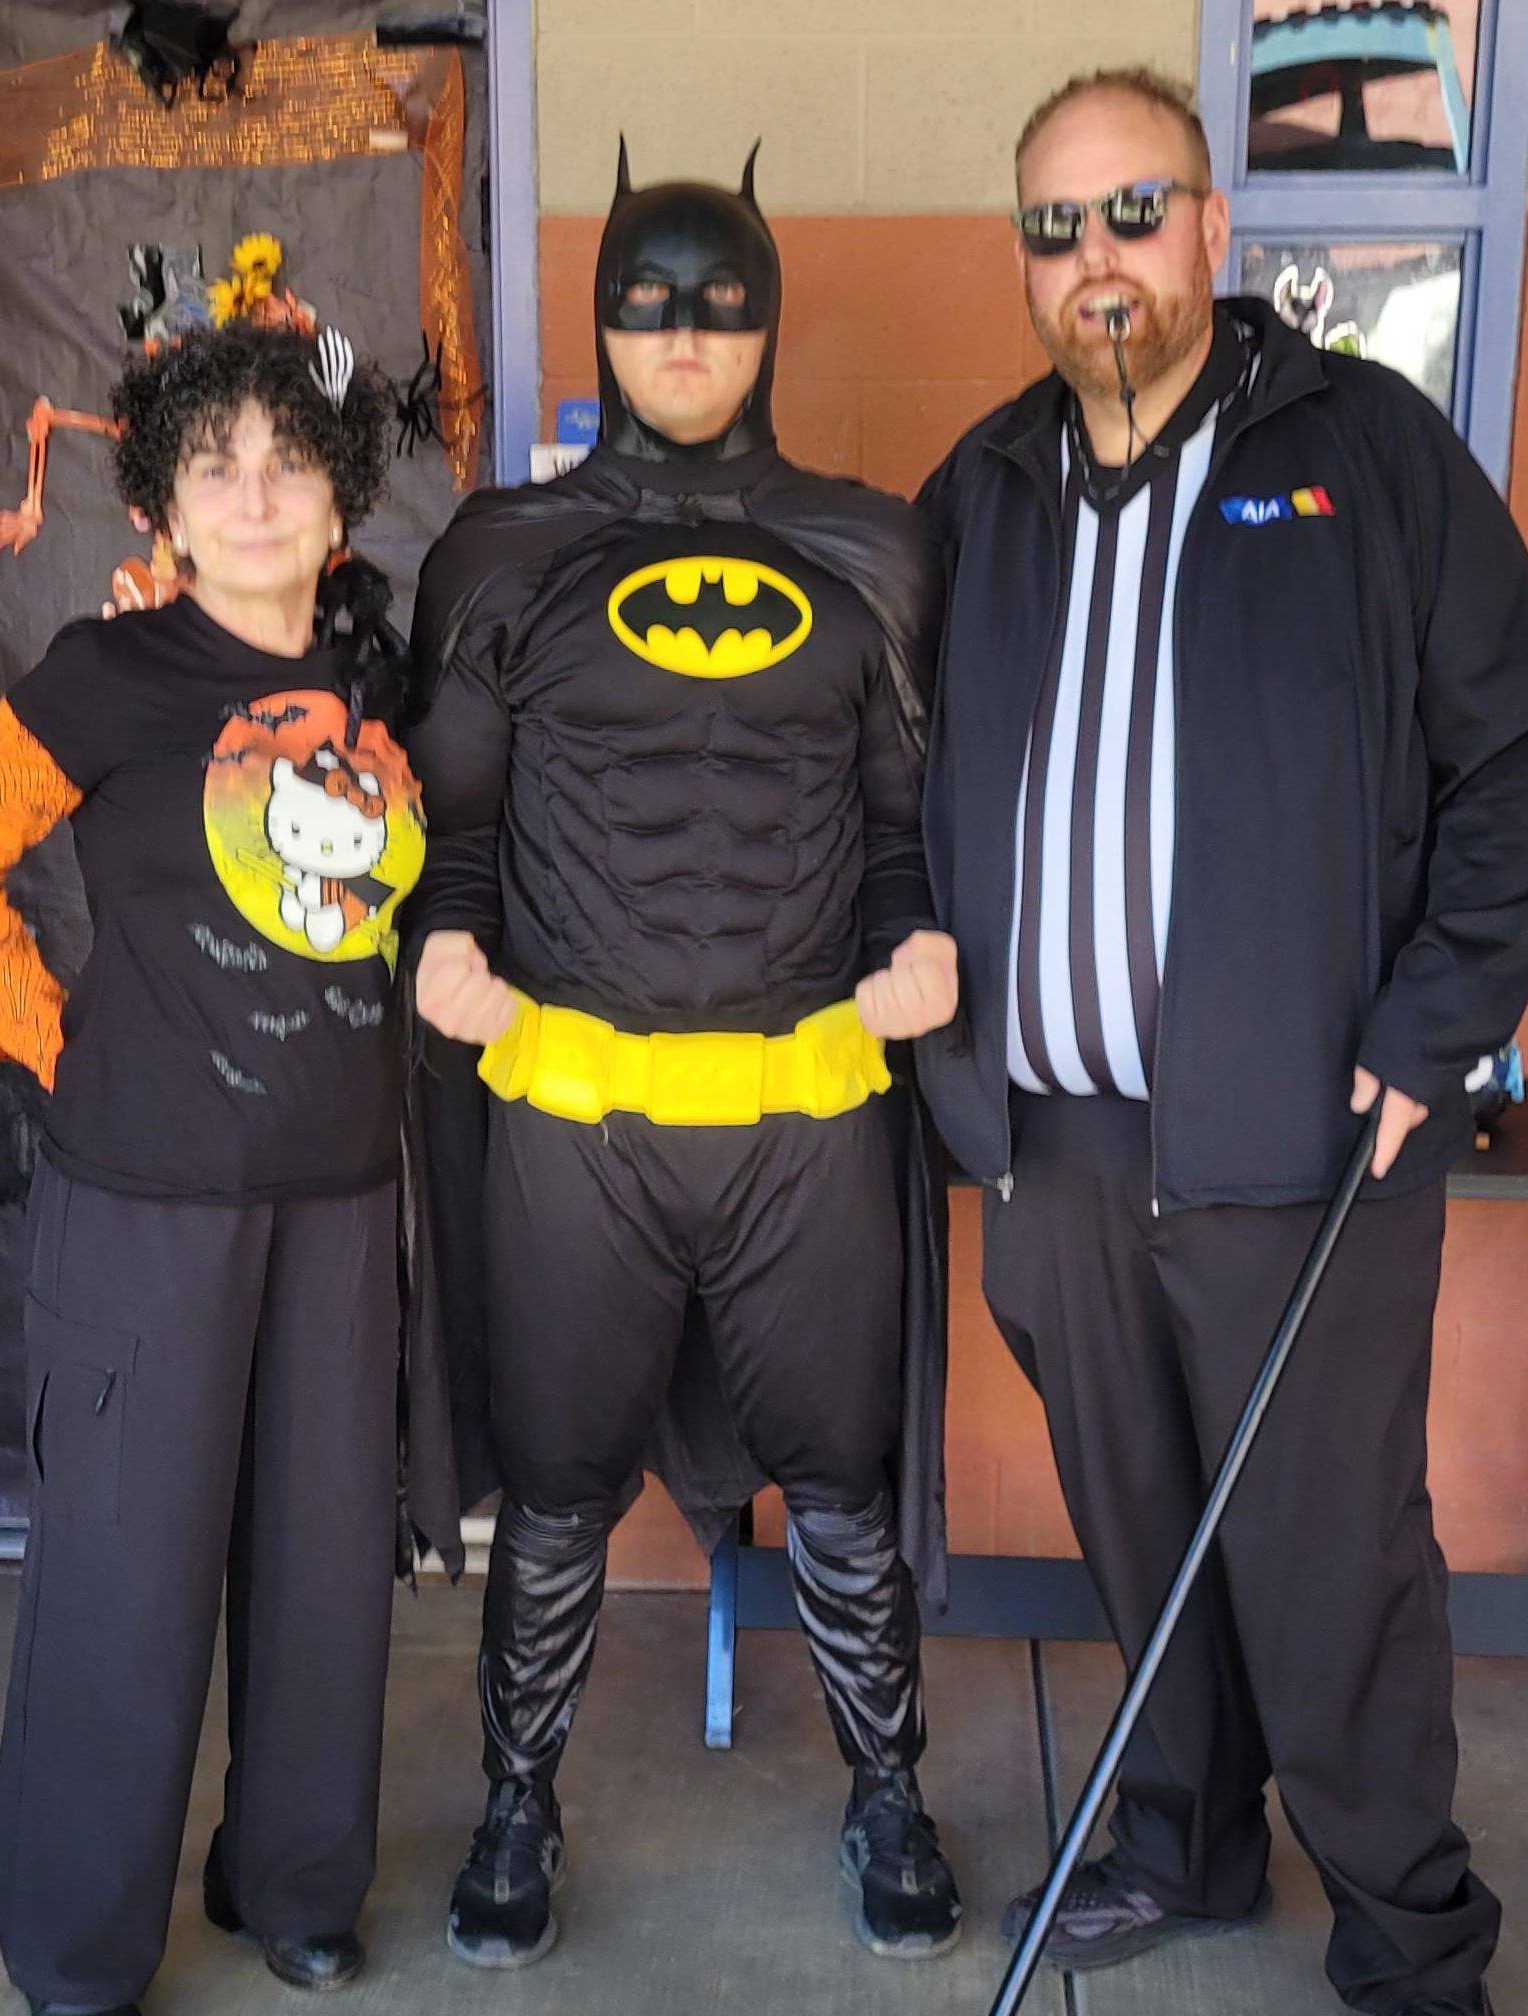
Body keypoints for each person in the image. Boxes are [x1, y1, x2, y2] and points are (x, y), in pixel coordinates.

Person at [912, 68, 1528, 2016]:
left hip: (1307, 1136)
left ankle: (1410, 1930)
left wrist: (1438, 1021)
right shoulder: (987, 487)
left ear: (1215, 231)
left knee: (1325, 1561)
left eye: (1133, 213)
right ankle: (1187, 1837)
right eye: (1056, 226)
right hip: (1059, 1143)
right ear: (1025, 262)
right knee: (1145, 1524)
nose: (1095, 258)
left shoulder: (1360, 454)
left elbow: (1522, 742)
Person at [404, 145, 966, 1970]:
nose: (684, 334)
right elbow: (457, 831)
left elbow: (897, 821)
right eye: (648, 298)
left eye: (719, 298)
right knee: (560, 1484)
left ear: (771, 318)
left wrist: (911, 946)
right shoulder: (505, 554)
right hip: (581, 1120)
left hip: (804, 1120)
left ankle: (891, 1796)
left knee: (848, 1484)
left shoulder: (871, 548)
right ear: (601, 319)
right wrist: (444, 949)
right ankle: (518, 1803)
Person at [0, 320, 422, 2014]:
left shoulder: (380, 683)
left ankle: (296, 1883)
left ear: (341, 498)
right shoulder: (103, 676)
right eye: (218, 465)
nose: (256, 492)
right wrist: (60, 1042)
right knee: (124, 1574)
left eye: (290, 460)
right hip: (142, 1212)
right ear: (167, 510)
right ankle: (73, 1940)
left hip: (341, 1202)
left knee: (325, 1561)